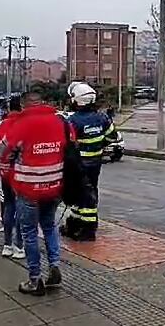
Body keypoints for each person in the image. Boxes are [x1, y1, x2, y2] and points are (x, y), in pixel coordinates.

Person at [0, 92, 67, 296]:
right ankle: (54, 266)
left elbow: (2, 150)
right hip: (55, 185)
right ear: (43, 102)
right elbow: (71, 145)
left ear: (24, 105)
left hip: (28, 188)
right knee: (49, 226)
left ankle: (35, 280)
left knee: (29, 233)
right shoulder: (59, 121)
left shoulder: (21, 124)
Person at [61, 82, 116, 241]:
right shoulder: (103, 118)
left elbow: (68, 144)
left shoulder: (72, 121)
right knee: (87, 193)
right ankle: (75, 224)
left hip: (78, 165)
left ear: (77, 100)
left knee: (83, 196)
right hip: (95, 163)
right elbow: (113, 137)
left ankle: (87, 230)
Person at [0, 96, 25, 259]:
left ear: (8, 108)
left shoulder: (3, 124)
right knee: (21, 207)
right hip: (20, 172)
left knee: (8, 205)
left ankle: (7, 245)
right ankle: (19, 246)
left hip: (5, 172)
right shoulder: (24, 124)